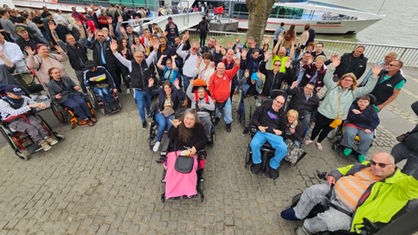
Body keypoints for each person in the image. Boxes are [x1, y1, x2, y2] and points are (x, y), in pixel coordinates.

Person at [280, 152, 418, 234]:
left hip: (349, 211)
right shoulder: (366, 166)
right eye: (373, 162)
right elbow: (346, 169)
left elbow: (414, 186)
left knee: (329, 221)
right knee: (313, 190)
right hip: (333, 192)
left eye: (382, 165)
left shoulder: (400, 186)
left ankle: (306, 228)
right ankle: (298, 213)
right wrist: (334, 173)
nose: (375, 167)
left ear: (393, 166)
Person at [305, 57, 381, 151]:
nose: (347, 82)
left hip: (336, 117)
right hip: (324, 113)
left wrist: (374, 76)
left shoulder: (354, 92)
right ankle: (311, 139)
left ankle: (319, 141)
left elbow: (367, 89)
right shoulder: (333, 86)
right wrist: (332, 67)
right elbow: (326, 79)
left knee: (327, 130)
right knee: (317, 128)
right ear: (341, 80)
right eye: (345, 79)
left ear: (353, 82)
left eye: (350, 80)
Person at [111, 39, 157, 128]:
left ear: (143, 56)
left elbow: (151, 55)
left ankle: (148, 114)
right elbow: (121, 59)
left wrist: (155, 50)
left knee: (148, 104)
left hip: (147, 89)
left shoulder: (146, 62)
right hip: (138, 91)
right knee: (140, 107)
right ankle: (143, 121)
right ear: (134, 57)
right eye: (137, 57)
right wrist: (114, 51)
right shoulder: (130, 64)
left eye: (141, 56)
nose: (139, 58)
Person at [0, 85, 58, 151]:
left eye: (20, 93)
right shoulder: (2, 102)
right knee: (30, 128)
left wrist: (40, 105)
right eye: (17, 94)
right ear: (9, 94)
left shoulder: (23, 97)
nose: (19, 95)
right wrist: (30, 106)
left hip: (26, 116)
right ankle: (41, 142)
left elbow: (33, 103)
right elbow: (14, 112)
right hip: (13, 121)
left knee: (36, 123)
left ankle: (46, 137)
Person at [250, 92, 287, 179]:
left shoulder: (282, 115)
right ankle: (257, 162)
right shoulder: (264, 107)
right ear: (274, 100)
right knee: (254, 144)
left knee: (283, 148)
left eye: (281, 104)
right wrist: (259, 126)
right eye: (278, 102)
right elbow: (254, 118)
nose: (279, 104)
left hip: (274, 135)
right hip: (262, 132)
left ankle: (273, 165)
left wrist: (281, 132)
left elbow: (284, 130)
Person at [148, 80, 185, 152]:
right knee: (162, 124)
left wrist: (178, 87)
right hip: (161, 112)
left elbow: (182, 97)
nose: (167, 90)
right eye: (165, 88)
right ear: (163, 88)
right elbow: (150, 93)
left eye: (169, 88)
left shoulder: (175, 92)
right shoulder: (161, 91)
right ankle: (158, 141)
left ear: (171, 88)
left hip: (170, 113)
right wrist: (150, 86)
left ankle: (169, 143)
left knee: (171, 126)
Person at [343, 96, 379, 162]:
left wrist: (370, 129)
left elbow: (376, 121)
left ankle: (361, 153)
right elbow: (347, 116)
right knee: (349, 133)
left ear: (369, 103)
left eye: (365, 102)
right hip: (352, 123)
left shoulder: (371, 110)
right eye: (360, 101)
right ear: (357, 102)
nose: (362, 103)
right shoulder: (352, 107)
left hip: (365, 127)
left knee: (368, 138)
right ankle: (348, 147)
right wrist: (352, 111)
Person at [208, 57, 240, 132]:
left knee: (228, 112)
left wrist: (237, 64)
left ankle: (228, 123)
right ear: (216, 68)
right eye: (219, 68)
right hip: (216, 99)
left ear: (225, 68)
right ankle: (217, 118)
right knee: (216, 111)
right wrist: (213, 98)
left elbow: (234, 70)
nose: (221, 70)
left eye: (222, 68)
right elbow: (210, 87)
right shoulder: (213, 76)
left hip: (226, 99)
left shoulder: (227, 74)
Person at [391, 101, 418, 178]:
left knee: (405, 176)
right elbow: (415, 106)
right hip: (405, 146)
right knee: (385, 164)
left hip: (417, 157)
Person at [186, 78, 215, 143]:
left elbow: (213, 107)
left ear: (205, 92)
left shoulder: (208, 98)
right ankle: (194, 137)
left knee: (208, 122)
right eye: (199, 92)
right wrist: (191, 85)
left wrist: (204, 105)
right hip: (195, 114)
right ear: (197, 92)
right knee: (192, 123)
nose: (201, 93)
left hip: (205, 115)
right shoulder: (193, 96)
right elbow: (188, 93)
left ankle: (208, 136)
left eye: (202, 92)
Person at [241, 70, 263, 134]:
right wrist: (245, 77)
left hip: (254, 98)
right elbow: (241, 82)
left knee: (253, 111)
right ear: (250, 78)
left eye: (255, 80)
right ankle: (247, 126)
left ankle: (252, 125)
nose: (254, 81)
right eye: (253, 79)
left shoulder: (257, 84)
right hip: (246, 98)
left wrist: (259, 78)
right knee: (247, 112)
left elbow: (260, 83)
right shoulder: (246, 82)